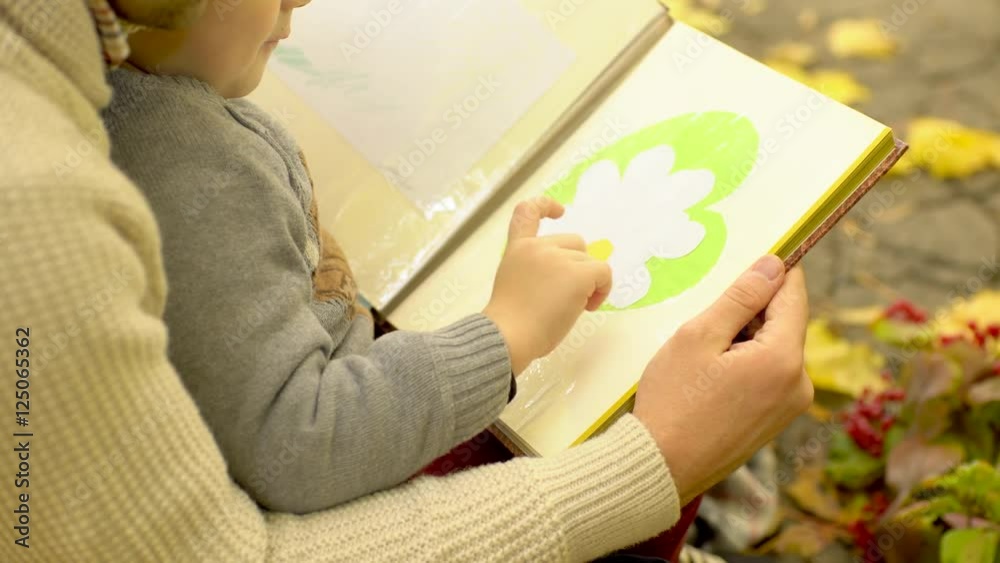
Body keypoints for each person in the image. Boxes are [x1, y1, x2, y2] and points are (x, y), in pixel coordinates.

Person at [0, 1, 812, 561]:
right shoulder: (166, 166)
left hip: (346, 419)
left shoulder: (132, 98)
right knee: (645, 386)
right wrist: (505, 335)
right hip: (347, 467)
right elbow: (297, 443)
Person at [104, 0, 622, 512]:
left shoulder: (163, 110)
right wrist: (511, 332)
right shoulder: (185, 160)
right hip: (359, 465)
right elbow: (296, 443)